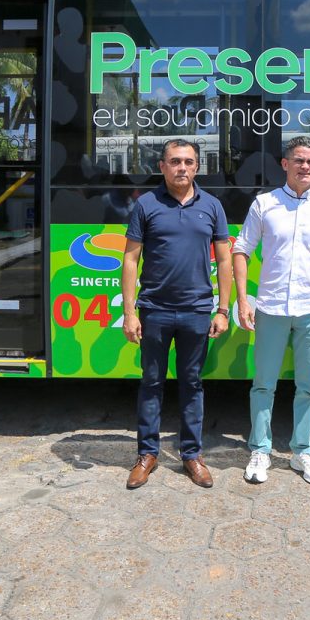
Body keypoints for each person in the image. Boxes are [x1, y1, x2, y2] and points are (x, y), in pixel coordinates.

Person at [233, 136, 310, 486]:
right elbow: (241, 250)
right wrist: (243, 300)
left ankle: (303, 450)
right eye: (299, 160)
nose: (306, 167)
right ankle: (260, 449)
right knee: (263, 385)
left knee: (309, 387)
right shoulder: (264, 204)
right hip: (270, 308)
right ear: (285, 164)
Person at [122, 139, 233, 490]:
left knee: (193, 384)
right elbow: (130, 259)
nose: (181, 167)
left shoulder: (212, 206)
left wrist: (223, 309)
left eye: (188, 162)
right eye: (174, 161)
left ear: (197, 167)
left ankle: (191, 455)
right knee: (151, 383)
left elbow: (226, 259)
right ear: (162, 167)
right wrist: (129, 312)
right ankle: (147, 455)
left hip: (197, 311)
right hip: (154, 310)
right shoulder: (146, 205)